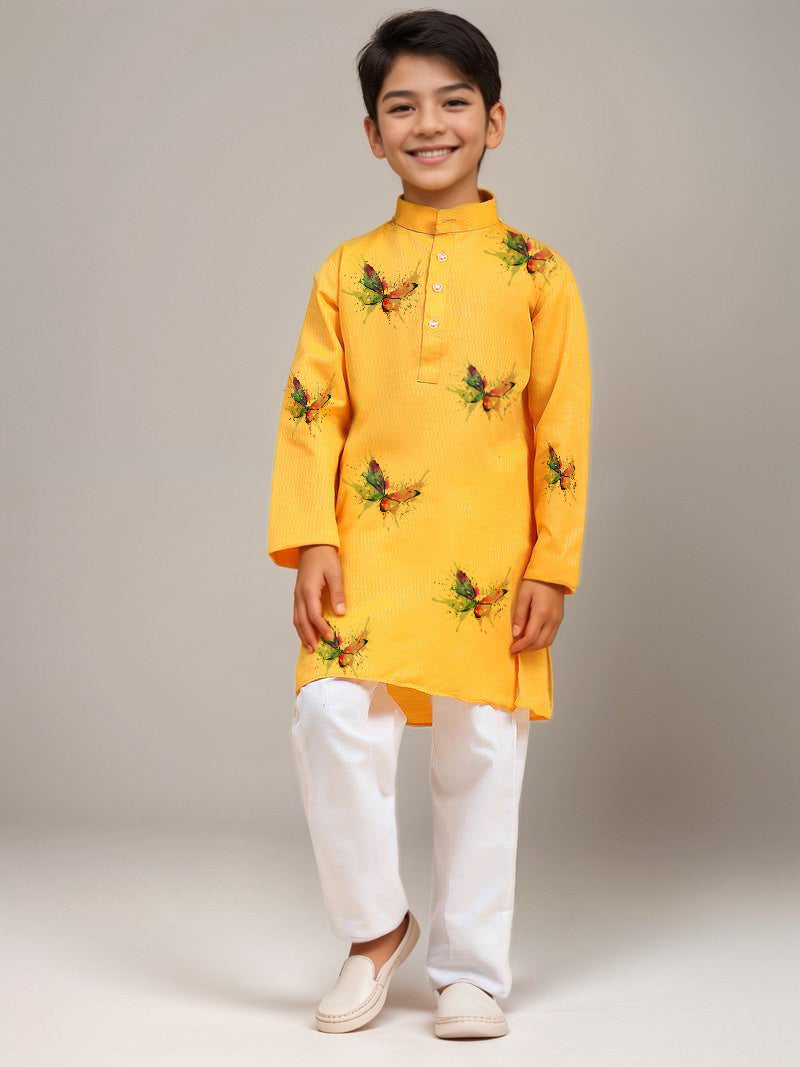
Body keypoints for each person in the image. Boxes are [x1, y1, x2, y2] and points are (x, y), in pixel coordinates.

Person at [266, 9, 591, 1039]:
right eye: (401, 107)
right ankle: (375, 930)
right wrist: (313, 539)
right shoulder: (344, 270)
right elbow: (312, 411)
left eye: (454, 102)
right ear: (373, 135)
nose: (429, 124)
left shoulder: (538, 273)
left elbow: (560, 425)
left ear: (494, 121)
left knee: (480, 749)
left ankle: (471, 970)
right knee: (330, 717)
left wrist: (553, 563)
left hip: (491, 556)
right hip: (366, 550)